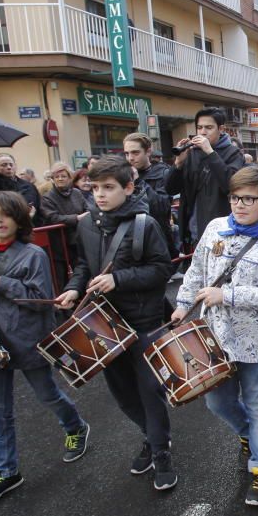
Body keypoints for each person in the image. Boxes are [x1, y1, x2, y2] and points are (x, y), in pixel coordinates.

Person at [53, 156, 175, 490]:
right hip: (104, 321)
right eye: (95, 188)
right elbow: (83, 265)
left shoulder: (144, 224)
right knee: (122, 393)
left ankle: (162, 451)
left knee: (150, 391)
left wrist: (118, 280)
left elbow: (161, 269)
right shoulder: (87, 223)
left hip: (143, 319)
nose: (100, 195)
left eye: (109, 188)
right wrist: (73, 289)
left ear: (129, 187)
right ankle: (149, 437)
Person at [173, 166, 258, 506]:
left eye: (249, 199)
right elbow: (196, 271)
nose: (240, 204)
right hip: (216, 337)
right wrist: (182, 305)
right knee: (216, 401)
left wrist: (228, 295)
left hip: (256, 340)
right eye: (235, 197)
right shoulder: (214, 229)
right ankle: (247, 433)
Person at [0, 191, 89, 506]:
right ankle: (6, 471)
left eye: (5, 215)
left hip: (26, 337)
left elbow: (40, 299)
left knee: (47, 394)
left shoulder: (33, 254)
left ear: (19, 219)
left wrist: (2, 283)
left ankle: (75, 426)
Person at [166, 108, 244, 252]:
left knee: (217, 271)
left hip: (220, 231)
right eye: (199, 127)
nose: (202, 132)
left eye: (209, 127)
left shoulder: (233, 153)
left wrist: (210, 153)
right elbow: (170, 189)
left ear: (221, 129)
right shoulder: (192, 153)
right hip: (193, 230)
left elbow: (231, 185)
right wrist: (178, 164)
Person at [123, 132, 176, 262]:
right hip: (129, 238)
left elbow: (162, 207)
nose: (130, 158)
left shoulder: (163, 172)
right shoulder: (122, 175)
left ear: (148, 152)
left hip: (156, 239)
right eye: (126, 153)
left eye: (135, 153)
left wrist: (138, 182)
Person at [40, 162, 88, 287]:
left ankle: (81, 297)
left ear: (69, 177)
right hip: (58, 242)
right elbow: (52, 217)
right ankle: (63, 302)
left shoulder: (77, 193)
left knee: (81, 270)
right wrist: (76, 218)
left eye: (63, 176)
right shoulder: (47, 198)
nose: (60, 179)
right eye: (57, 177)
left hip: (77, 239)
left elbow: (87, 208)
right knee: (60, 275)